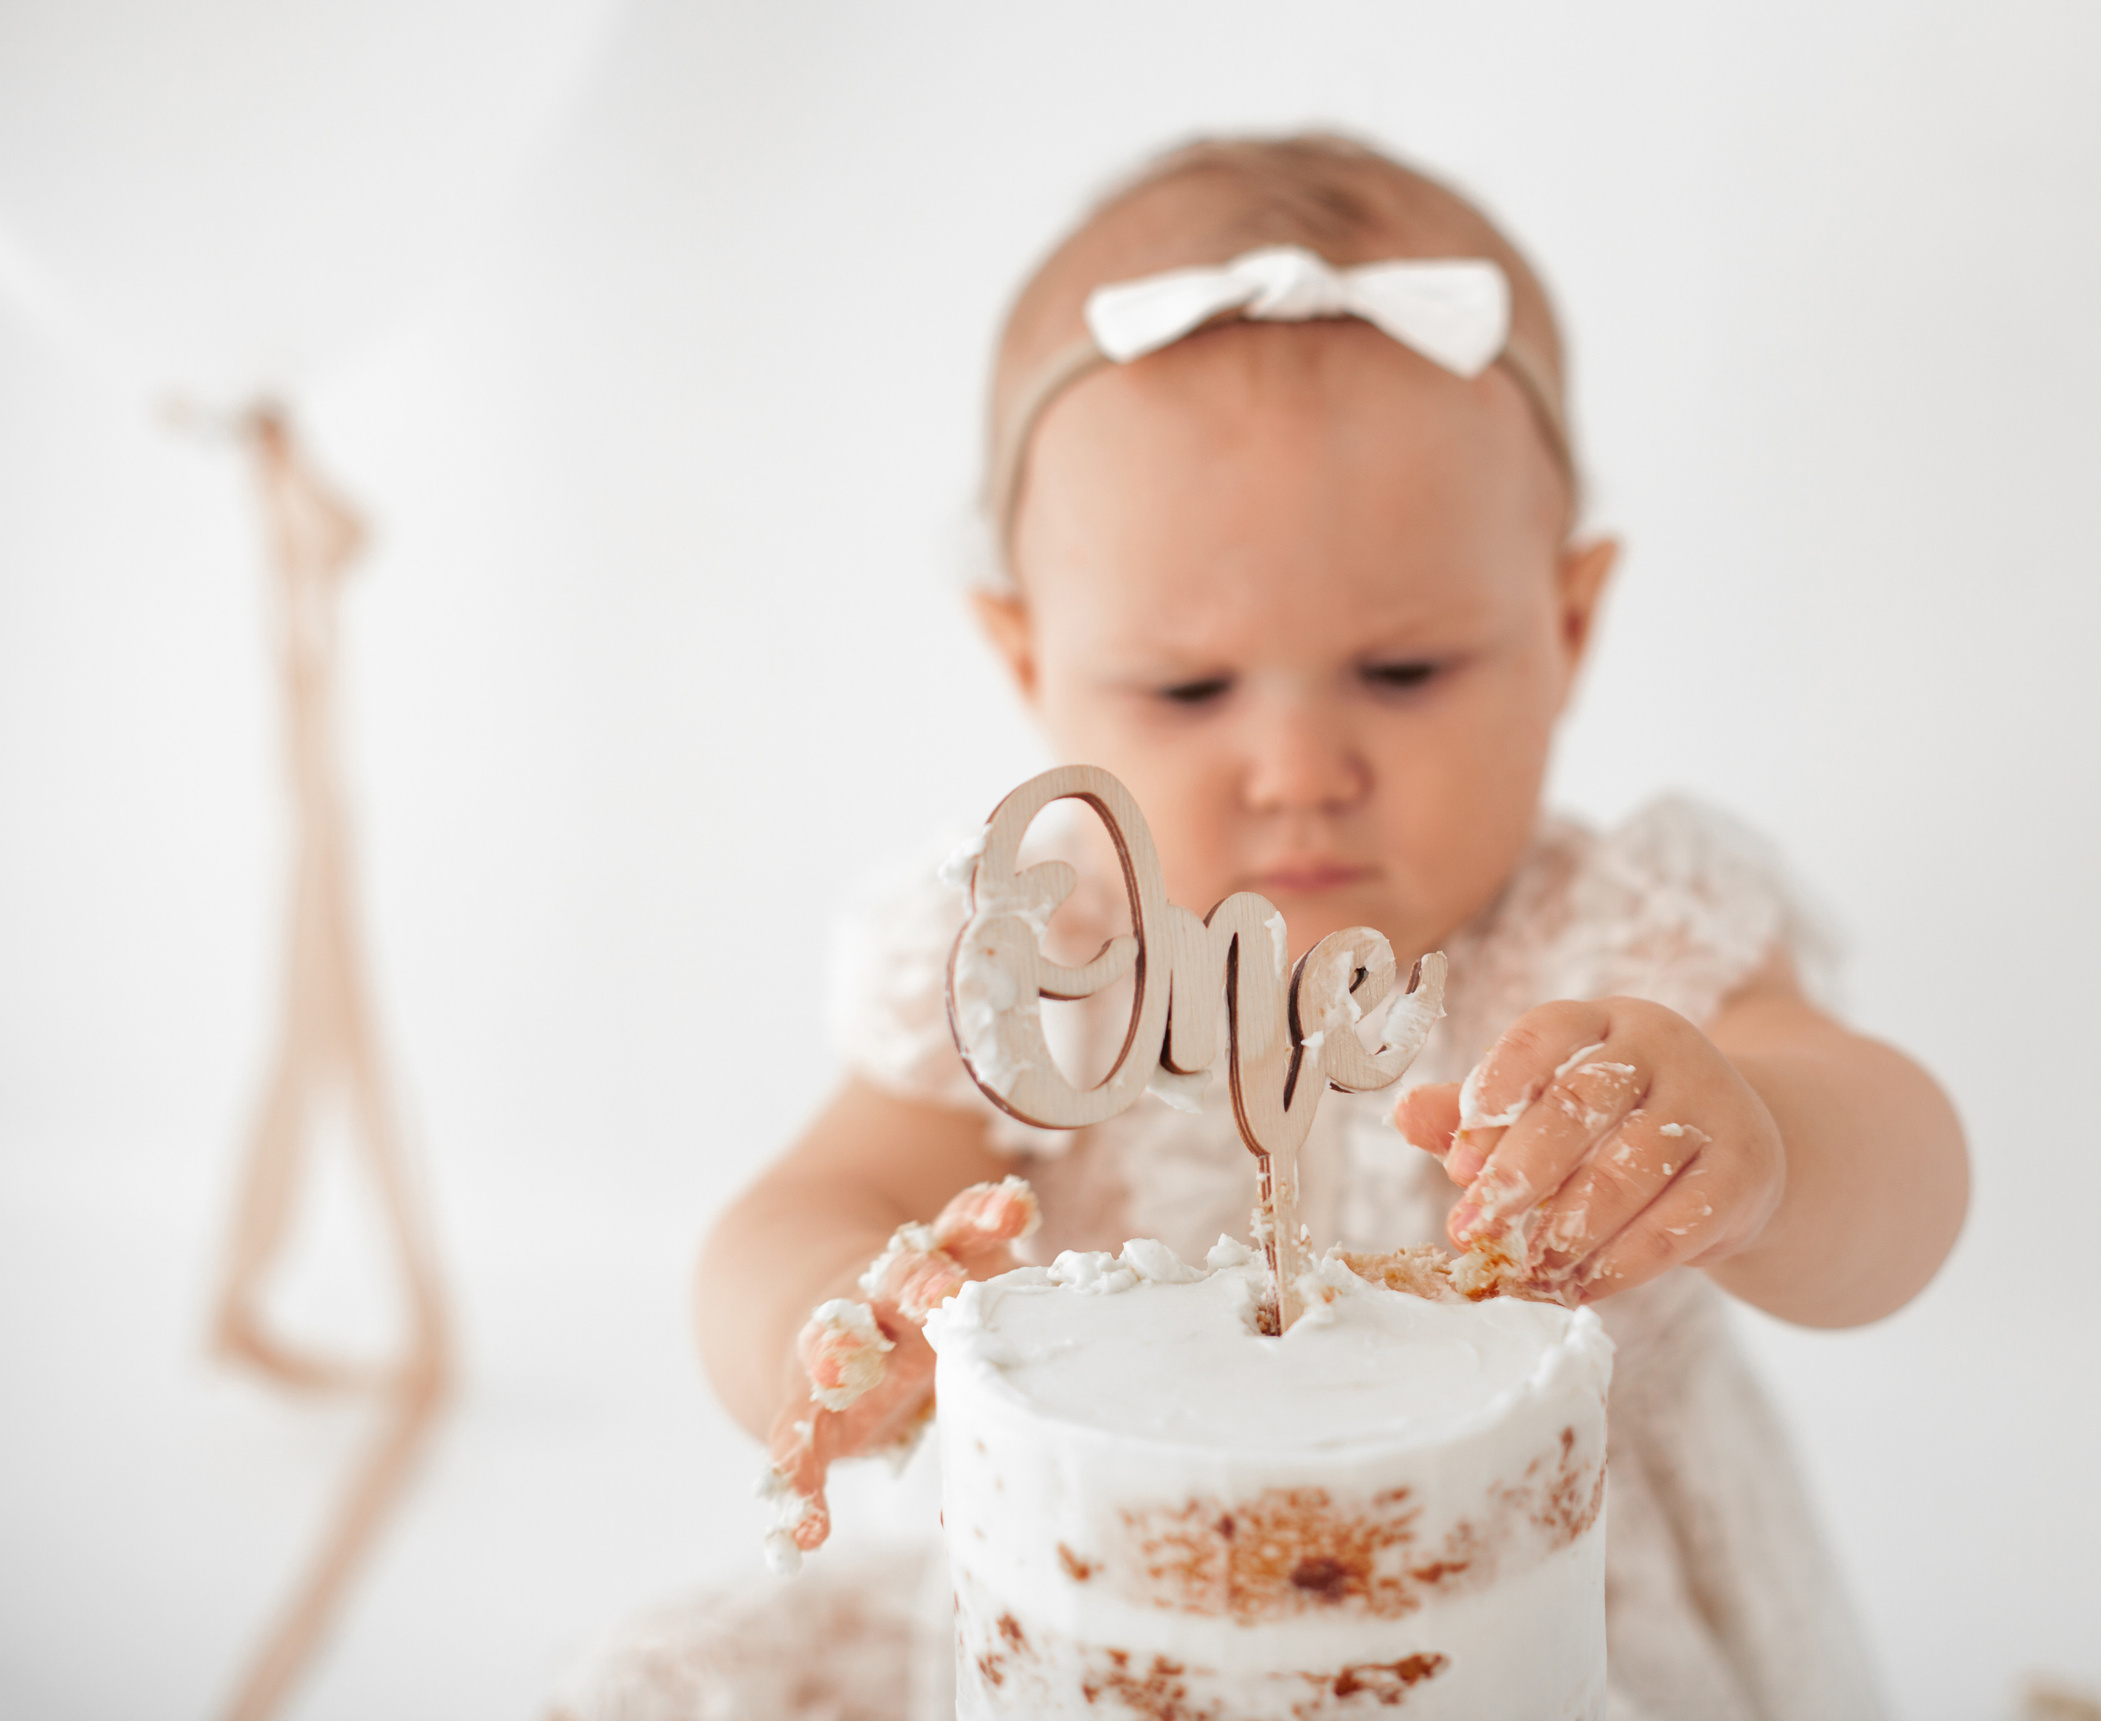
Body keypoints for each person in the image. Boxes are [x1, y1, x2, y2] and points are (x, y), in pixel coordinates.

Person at [555, 131, 1967, 1721]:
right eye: (1188, 689)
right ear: (1029, 662)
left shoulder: (1616, 942)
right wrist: (836, 1320)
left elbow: (1903, 1181)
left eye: (1407, 671)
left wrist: (1761, 1141)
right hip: (1098, 1623)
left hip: (1542, 1624)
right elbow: (806, 1203)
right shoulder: (1038, 964)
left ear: (1566, 628)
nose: (1301, 772)